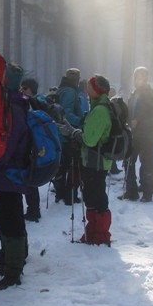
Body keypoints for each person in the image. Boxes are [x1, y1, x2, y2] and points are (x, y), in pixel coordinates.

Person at [0, 64, 31, 292]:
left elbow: (8, 144)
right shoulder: (15, 103)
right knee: (8, 215)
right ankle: (9, 257)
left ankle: (13, 271)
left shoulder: (13, 106)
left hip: (9, 171)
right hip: (8, 172)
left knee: (11, 217)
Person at [58, 74, 113, 245]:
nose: (86, 90)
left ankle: (99, 235)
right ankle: (94, 233)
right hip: (97, 160)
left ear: (97, 90)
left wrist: (75, 133)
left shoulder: (100, 110)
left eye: (89, 87)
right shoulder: (101, 107)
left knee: (95, 196)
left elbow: (90, 139)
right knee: (94, 195)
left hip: (94, 161)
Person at [121, 66, 153, 202]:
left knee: (146, 162)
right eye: (136, 76)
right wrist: (130, 121)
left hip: (148, 135)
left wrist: (139, 122)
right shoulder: (134, 94)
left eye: (141, 76)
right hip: (135, 134)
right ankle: (132, 191)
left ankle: (147, 192)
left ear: (146, 78)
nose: (138, 79)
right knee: (129, 160)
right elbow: (131, 113)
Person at [53, 68, 86, 205]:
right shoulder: (71, 92)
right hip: (70, 133)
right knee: (75, 165)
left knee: (63, 165)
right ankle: (70, 195)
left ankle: (60, 193)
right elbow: (66, 113)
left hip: (60, 133)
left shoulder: (61, 90)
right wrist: (81, 120)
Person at [19, 77, 42, 222]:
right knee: (28, 179)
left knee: (29, 180)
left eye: (26, 88)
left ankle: (33, 210)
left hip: (29, 147)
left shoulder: (30, 104)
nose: (22, 90)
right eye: (22, 87)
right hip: (29, 145)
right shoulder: (32, 103)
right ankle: (33, 209)